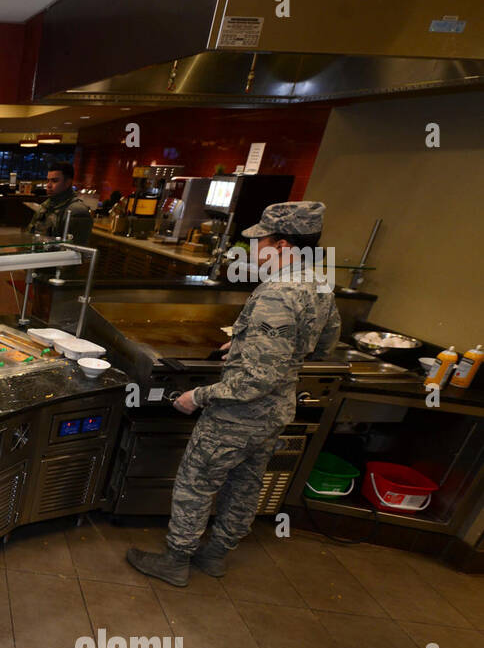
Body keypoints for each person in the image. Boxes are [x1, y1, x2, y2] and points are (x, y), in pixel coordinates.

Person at [126, 201, 340, 586]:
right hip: (276, 414)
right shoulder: (320, 283)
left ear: (283, 245)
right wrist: (247, 345)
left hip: (236, 417)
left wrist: (199, 396)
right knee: (245, 487)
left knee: (197, 483)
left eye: (261, 241)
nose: (254, 250)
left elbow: (254, 380)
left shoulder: (277, 293)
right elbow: (322, 344)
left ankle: (176, 560)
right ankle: (216, 556)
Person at [26, 163, 93, 245]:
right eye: (48, 181)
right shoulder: (46, 205)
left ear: (68, 183)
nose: (49, 185)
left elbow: (75, 251)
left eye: (54, 181)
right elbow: (30, 235)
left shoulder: (76, 211)